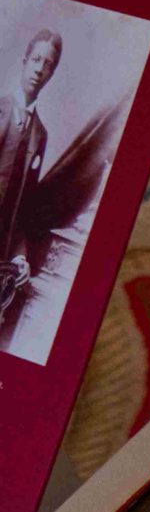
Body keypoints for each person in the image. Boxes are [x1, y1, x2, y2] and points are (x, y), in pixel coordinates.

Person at [0, 30, 62, 312]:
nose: (39, 68)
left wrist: (20, 257)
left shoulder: (40, 135)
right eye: (36, 59)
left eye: (48, 64)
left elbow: (22, 211)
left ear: (52, 73)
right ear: (25, 60)